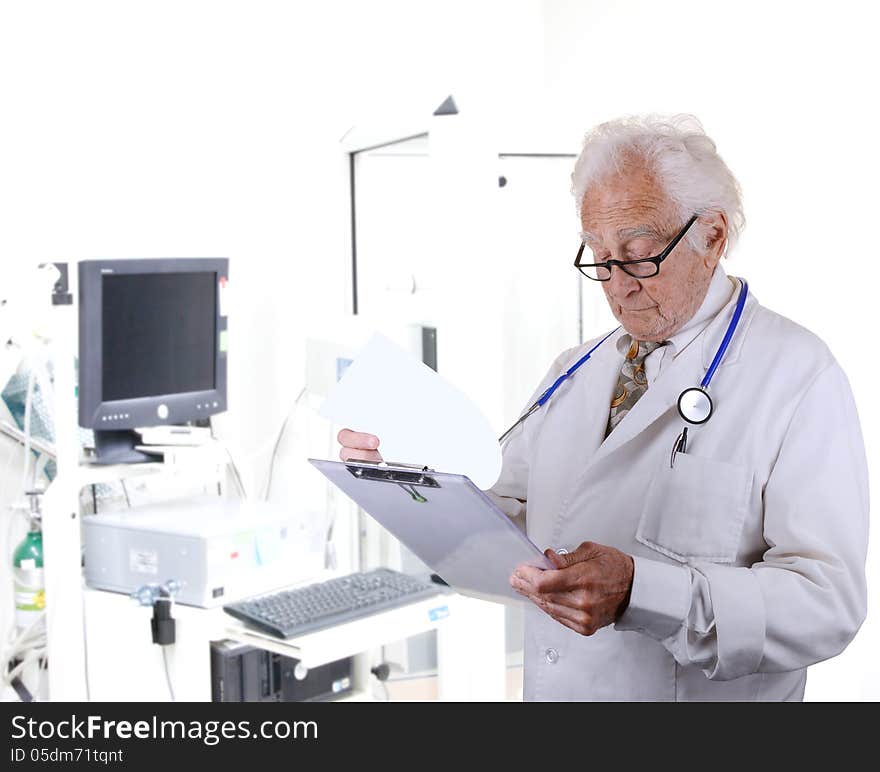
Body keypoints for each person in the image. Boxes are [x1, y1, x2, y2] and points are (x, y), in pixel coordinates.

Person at [337, 114, 869, 701]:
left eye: (639, 255)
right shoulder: (576, 367)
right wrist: (410, 480)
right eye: (599, 257)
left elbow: (826, 605)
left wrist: (644, 592)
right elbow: (509, 515)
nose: (617, 284)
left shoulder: (798, 375)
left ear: (713, 236)